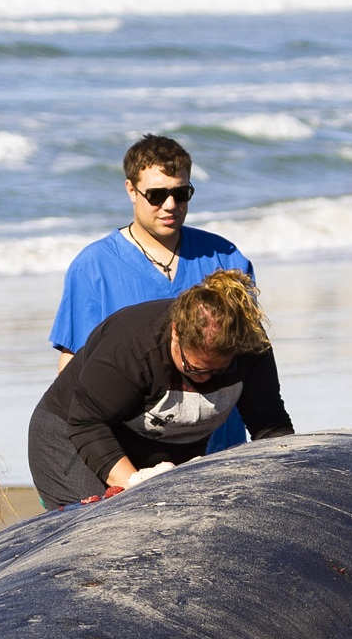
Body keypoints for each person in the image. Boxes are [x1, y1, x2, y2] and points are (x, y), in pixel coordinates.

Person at [49, 132, 255, 454]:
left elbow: (252, 357)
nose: (170, 205)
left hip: (221, 449)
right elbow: (73, 371)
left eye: (181, 193)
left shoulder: (226, 258)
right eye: (157, 195)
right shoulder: (93, 267)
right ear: (131, 190)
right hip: (138, 459)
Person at [27, 271, 291, 510]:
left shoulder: (251, 348)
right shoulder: (132, 347)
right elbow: (86, 422)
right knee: (111, 521)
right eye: (194, 368)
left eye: (219, 371)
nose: (205, 380)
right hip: (70, 434)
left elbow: (269, 422)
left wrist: (290, 475)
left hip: (157, 441)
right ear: (175, 332)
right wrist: (134, 484)